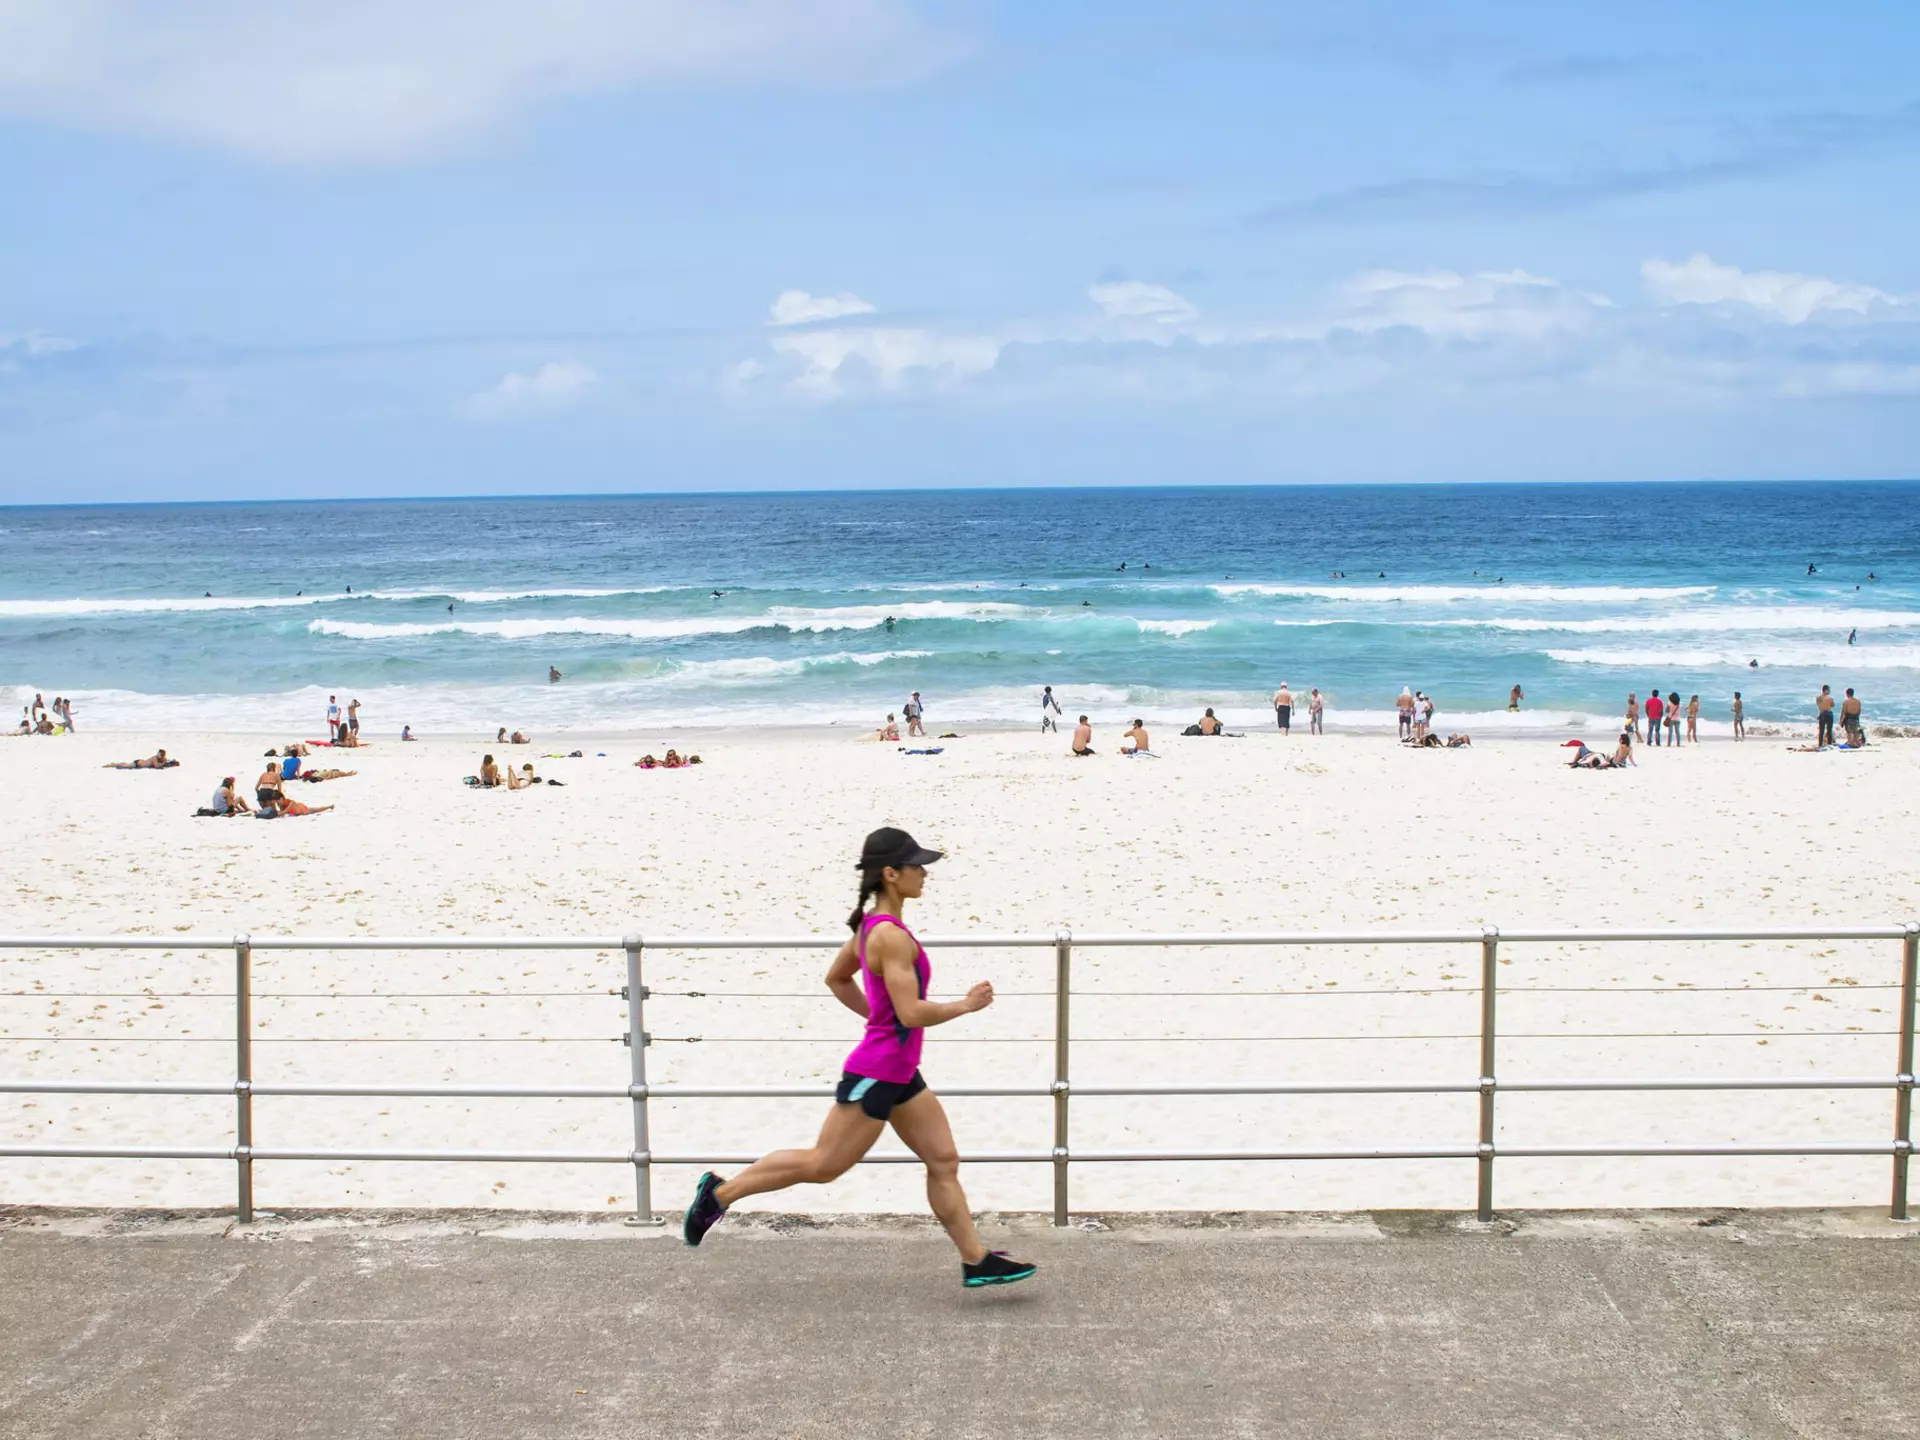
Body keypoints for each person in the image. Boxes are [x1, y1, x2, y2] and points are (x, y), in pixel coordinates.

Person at [681, 827, 1036, 1289]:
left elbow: (838, 980)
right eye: (916, 866)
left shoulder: (871, 926)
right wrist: (963, 1006)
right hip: (877, 1072)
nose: (924, 873)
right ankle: (719, 1194)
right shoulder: (889, 936)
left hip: (899, 1070)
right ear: (890, 874)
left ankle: (976, 1260)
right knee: (824, 1165)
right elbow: (910, 1012)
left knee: (943, 1158)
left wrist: (880, 1020)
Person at [106, 749, 174, 770]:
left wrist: (171, 762)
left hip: (140, 763)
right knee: (124, 766)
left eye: (163, 755)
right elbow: (157, 766)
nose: (162, 756)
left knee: (126, 764)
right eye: (161, 755)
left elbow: (167, 761)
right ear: (158, 754)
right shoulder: (155, 758)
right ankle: (111, 765)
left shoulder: (162, 758)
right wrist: (164, 764)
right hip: (138, 764)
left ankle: (114, 764)